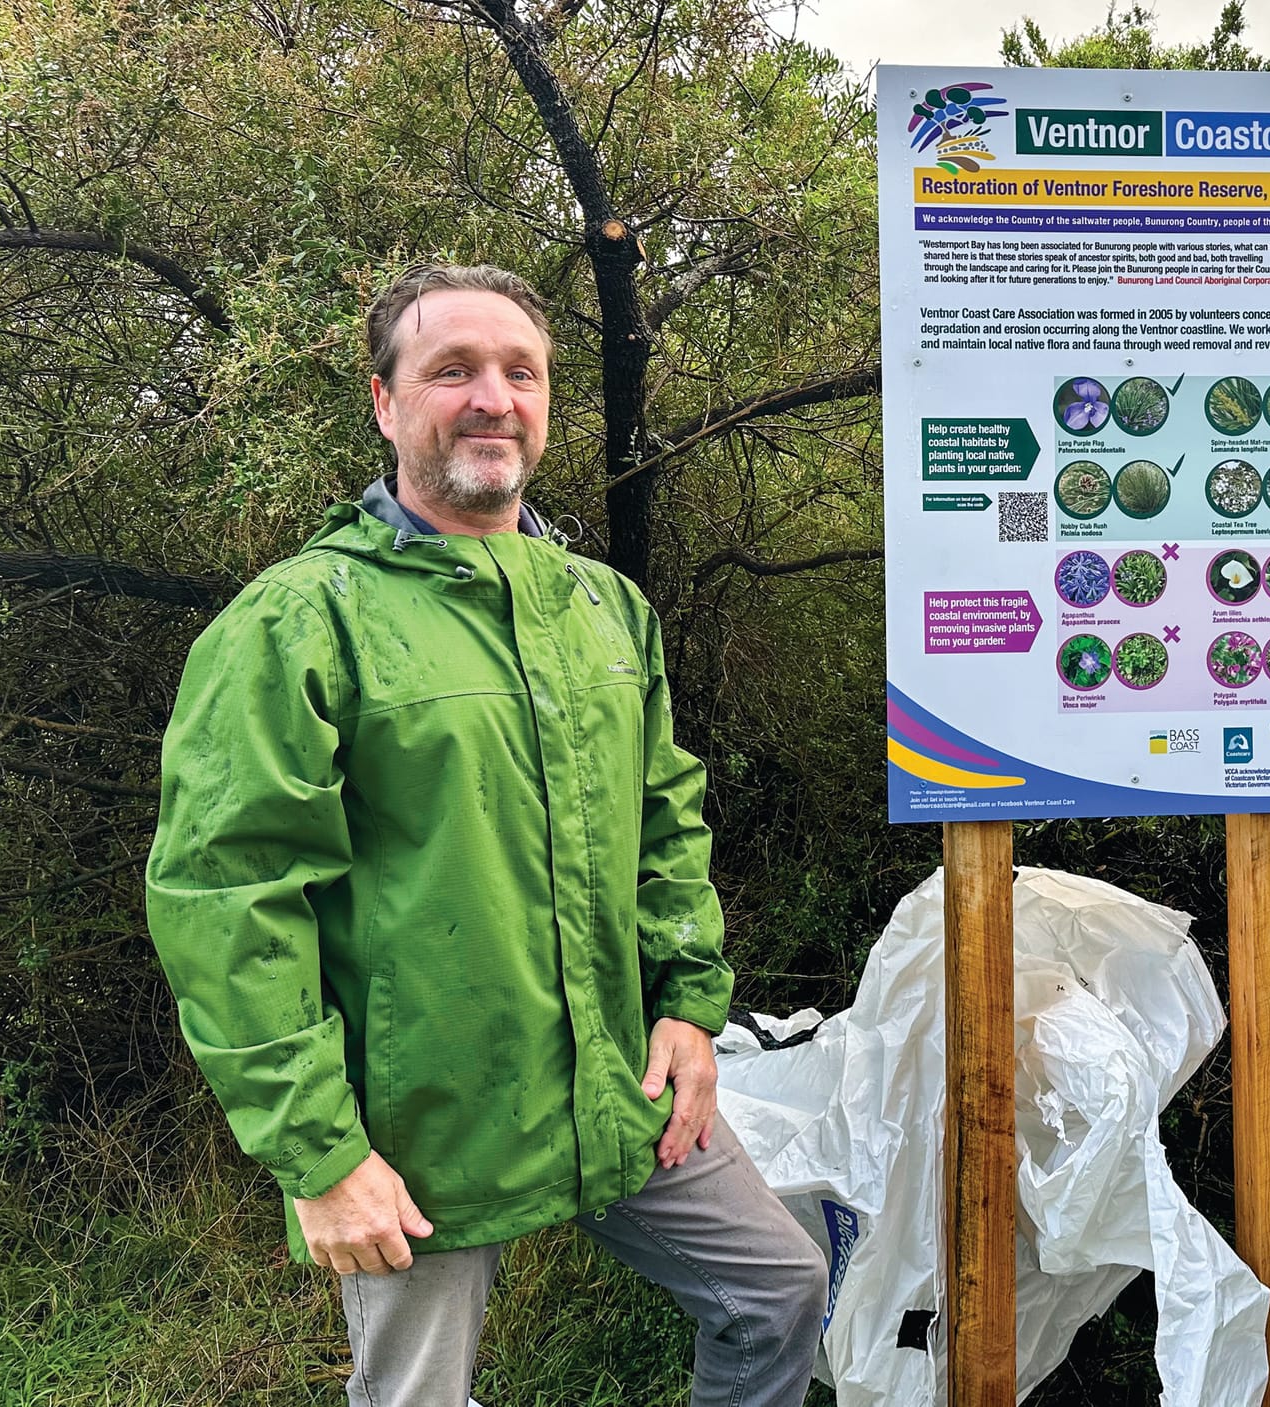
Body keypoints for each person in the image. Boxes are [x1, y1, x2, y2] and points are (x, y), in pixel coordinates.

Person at [146, 264, 826, 1407]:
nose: (491, 397)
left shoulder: (605, 609)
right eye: (450, 369)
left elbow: (666, 817)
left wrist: (688, 1007)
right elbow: (230, 897)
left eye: (521, 372)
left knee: (777, 1291)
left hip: (618, 1094)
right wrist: (321, 1156)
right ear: (383, 401)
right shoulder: (299, 620)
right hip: (421, 1137)